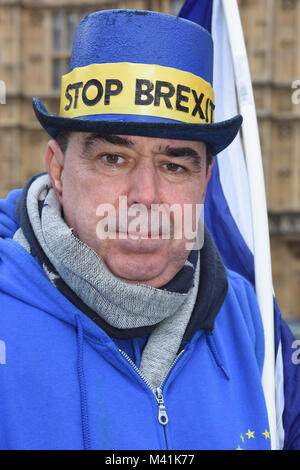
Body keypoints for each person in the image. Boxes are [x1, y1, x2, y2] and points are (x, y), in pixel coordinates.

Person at [0, 9, 299, 451]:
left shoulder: (254, 322)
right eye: (113, 159)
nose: (145, 196)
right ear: (58, 171)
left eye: (174, 165)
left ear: (205, 182)